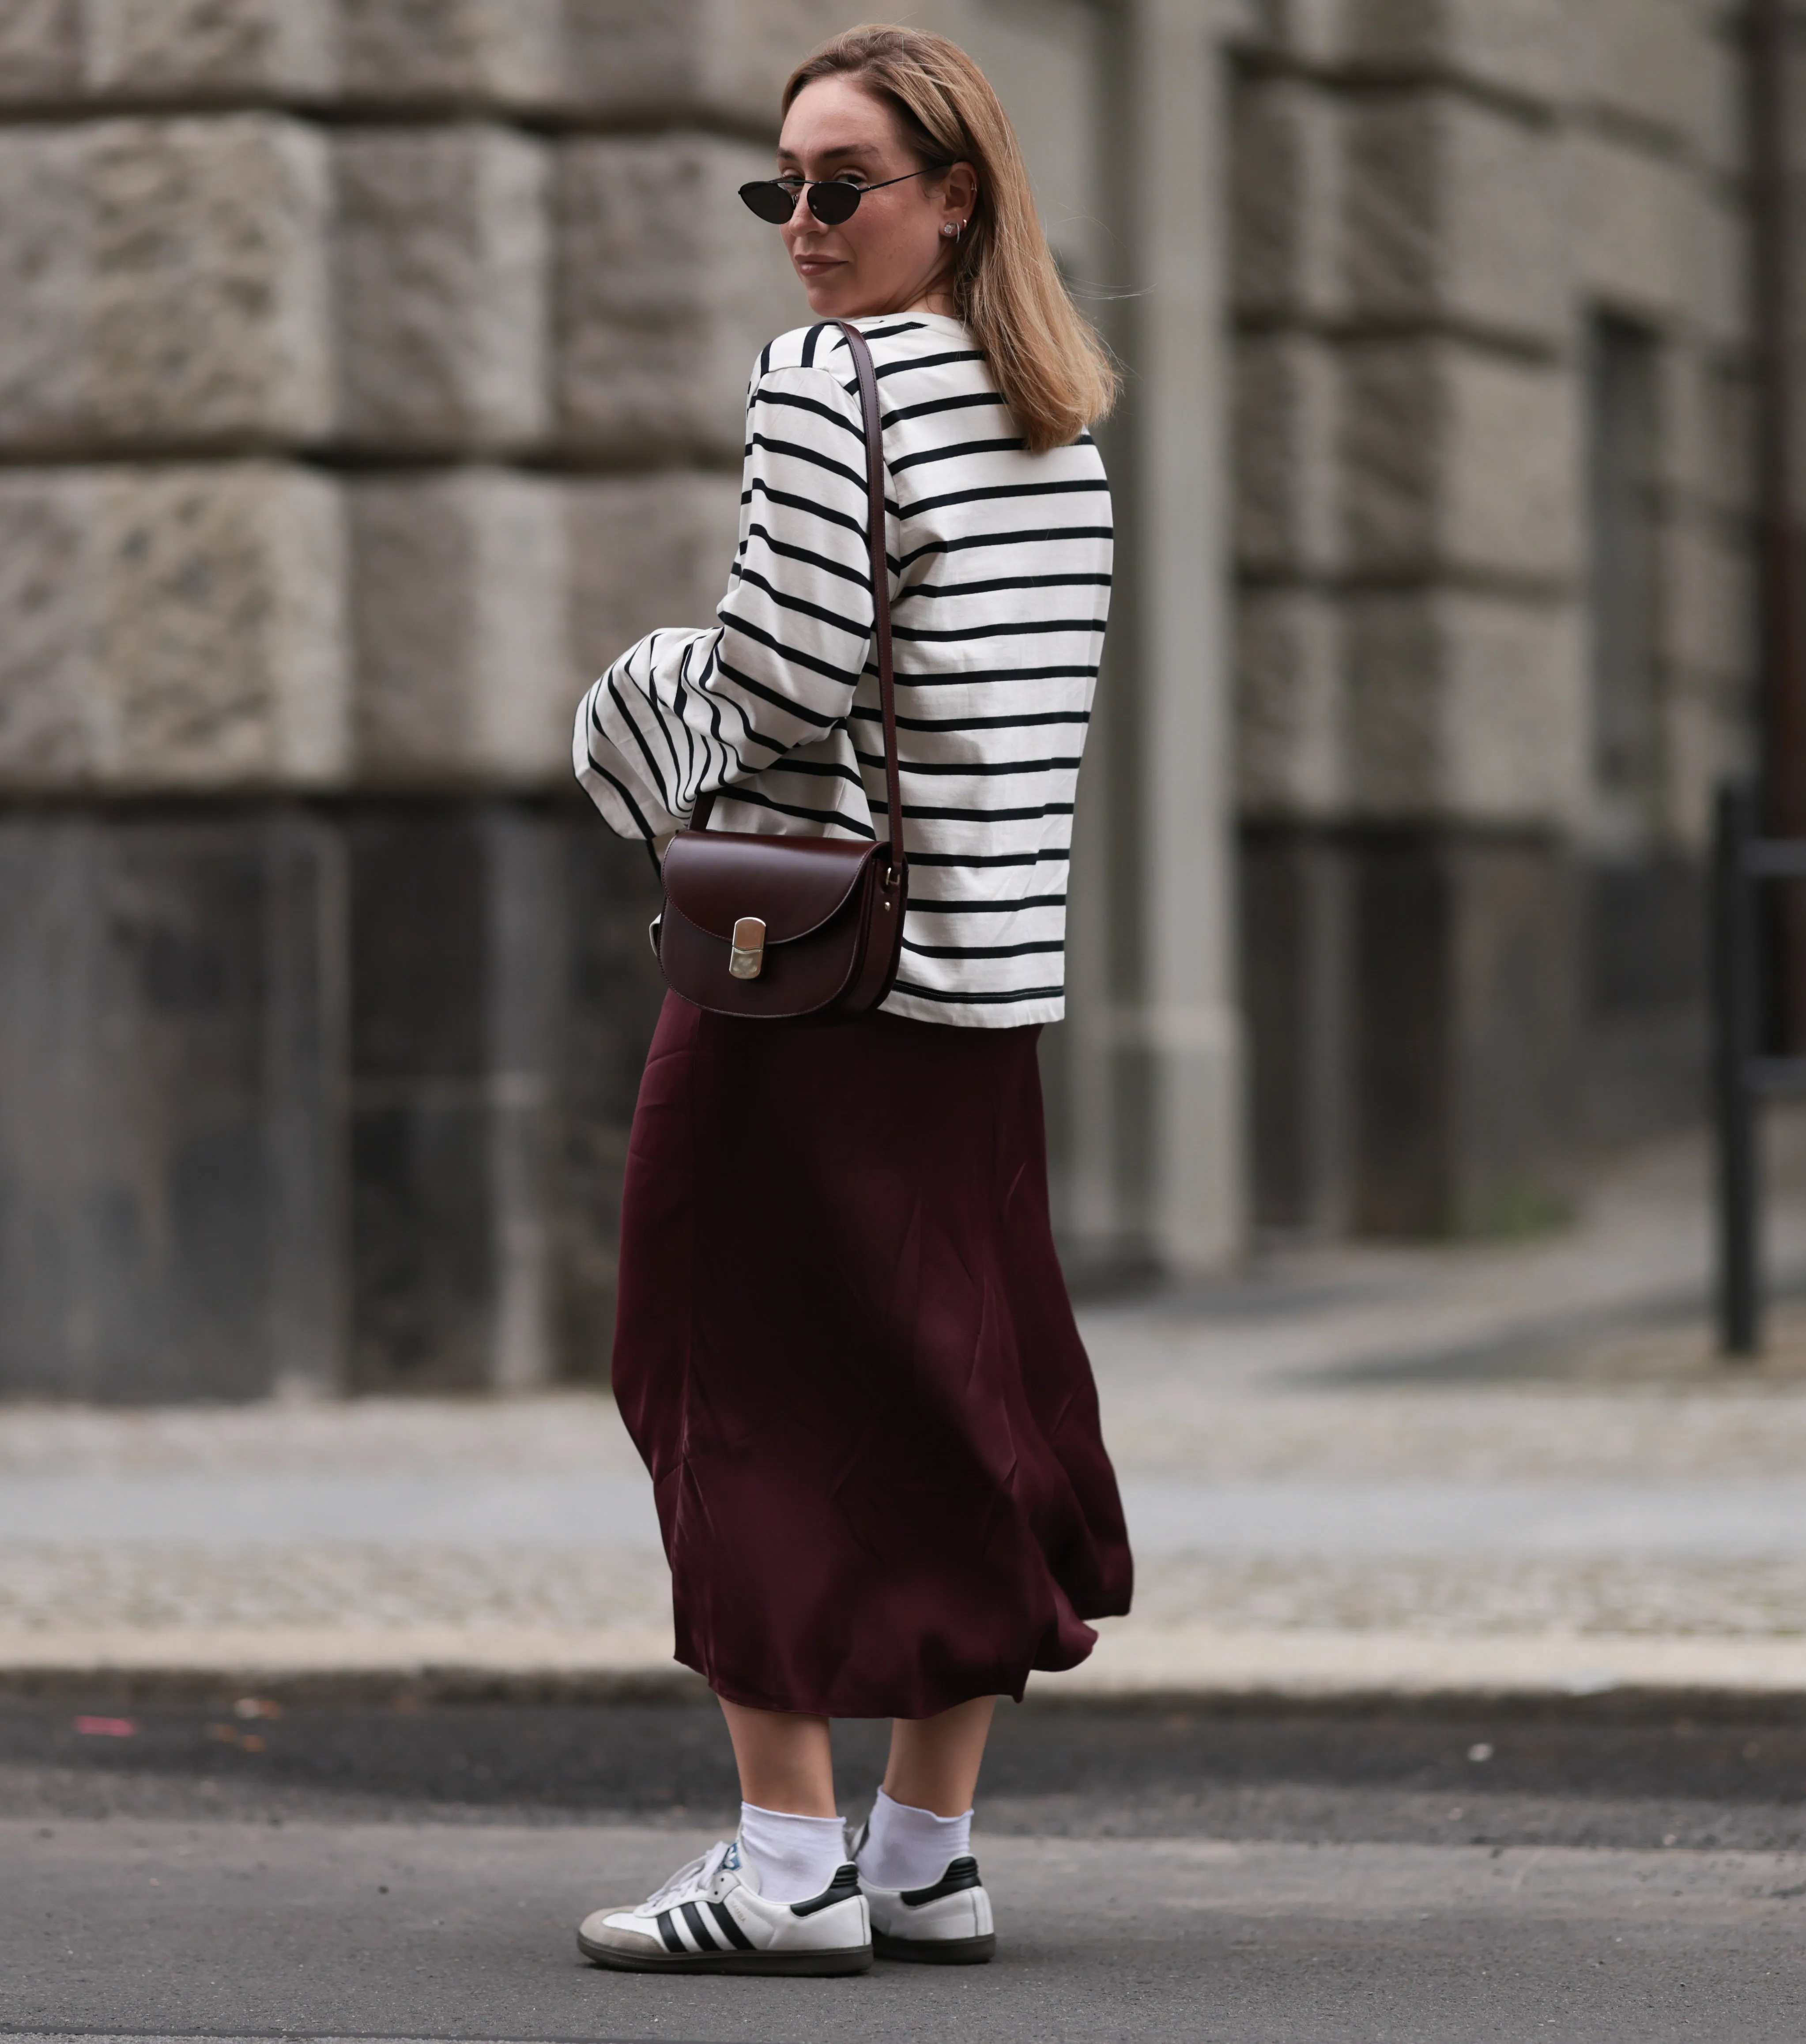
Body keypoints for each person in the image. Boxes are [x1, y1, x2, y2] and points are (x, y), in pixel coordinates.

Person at [563, 25, 1132, 1979]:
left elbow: (784, 686)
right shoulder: (1057, 409)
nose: (798, 229)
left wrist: (630, 698)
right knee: (959, 1393)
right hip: (981, 991)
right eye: (778, 190)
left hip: (803, 979)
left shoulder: (828, 386)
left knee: (712, 1367)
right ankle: (923, 1850)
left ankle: (784, 1857)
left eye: (840, 188)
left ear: (952, 198)